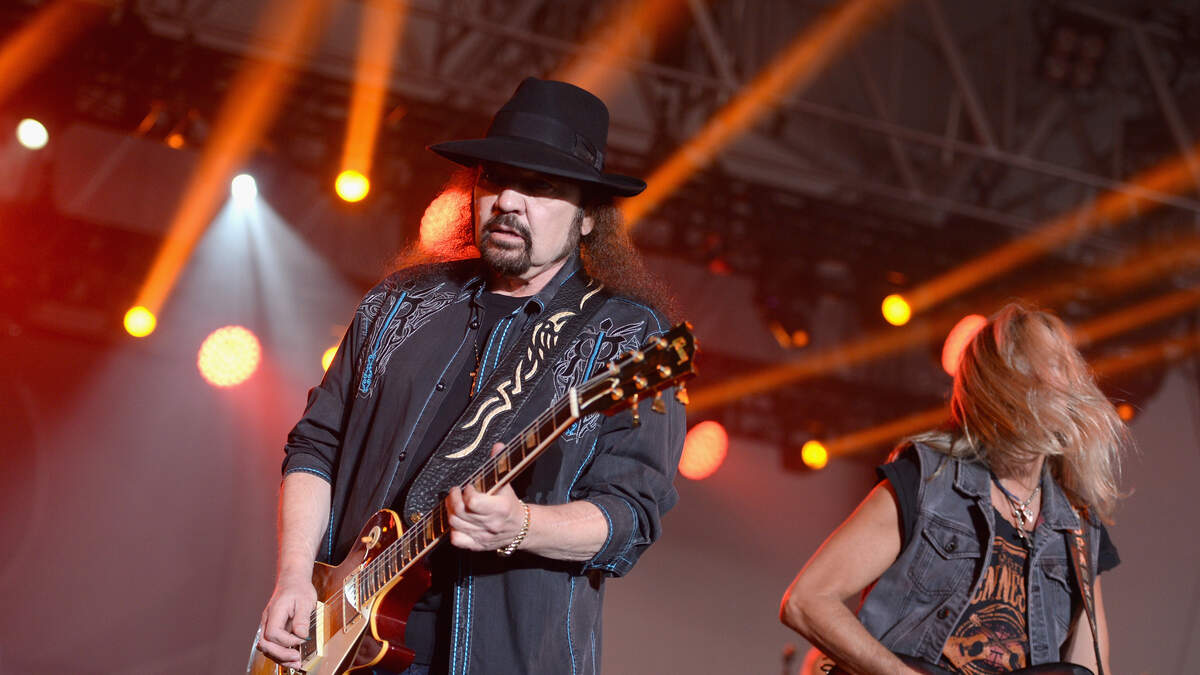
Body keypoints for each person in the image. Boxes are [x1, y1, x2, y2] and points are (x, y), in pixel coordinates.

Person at [256, 77, 686, 674]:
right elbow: (316, 446)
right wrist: (294, 577)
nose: (509, 200)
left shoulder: (628, 338)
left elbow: (629, 518)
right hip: (341, 645)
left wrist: (522, 525)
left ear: (588, 217)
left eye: (540, 187)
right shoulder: (399, 303)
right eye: (495, 179)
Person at [780, 304, 1128, 675]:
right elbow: (806, 601)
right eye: (1037, 367)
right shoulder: (927, 482)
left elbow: (1090, 667)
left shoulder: (1078, 528)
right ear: (998, 387)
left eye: (1059, 365)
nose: (1056, 381)